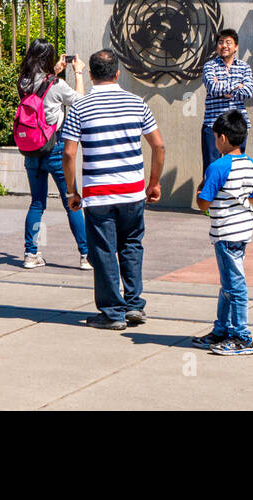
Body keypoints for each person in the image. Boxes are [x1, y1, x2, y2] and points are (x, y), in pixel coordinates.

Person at [62, 49, 166, 330]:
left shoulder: (80, 107)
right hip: (133, 192)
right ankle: (133, 305)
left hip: (98, 194)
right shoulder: (136, 103)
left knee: (104, 250)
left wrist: (72, 191)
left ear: (92, 75)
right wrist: (153, 183)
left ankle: (112, 312)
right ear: (118, 73)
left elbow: (69, 154)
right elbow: (158, 145)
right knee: (131, 244)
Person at [193, 110, 253, 356]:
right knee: (228, 284)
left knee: (234, 285)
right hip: (243, 231)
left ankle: (242, 336)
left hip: (225, 233)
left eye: (215, 137)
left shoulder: (218, 166)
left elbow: (203, 203)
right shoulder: (250, 163)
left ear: (222, 138)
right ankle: (222, 329)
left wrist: (202, 188)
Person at [16, 39, 89, 270]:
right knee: (72, 202)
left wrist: (55, 71)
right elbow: (81, 103)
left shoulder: (24, 82)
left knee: (37, 203)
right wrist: (78, 74)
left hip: (31, 150)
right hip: (55, 150)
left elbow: (41, 88)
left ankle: (30, 254)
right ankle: (86, 255)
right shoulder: (57, 85)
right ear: (50, 58)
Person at [200, 28, 253, 176]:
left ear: (235, 46)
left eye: (228, 42)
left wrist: (223, 85)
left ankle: (234, 199)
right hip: (213, 125)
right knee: (212, 169)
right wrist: (237, 85)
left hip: (238, 126)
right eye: (221, 42)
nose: (224, 46)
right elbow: (212, 88)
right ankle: (212, 199)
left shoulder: (244, 67)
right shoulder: (209, 66)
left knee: (237, 169)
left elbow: (248, 92)